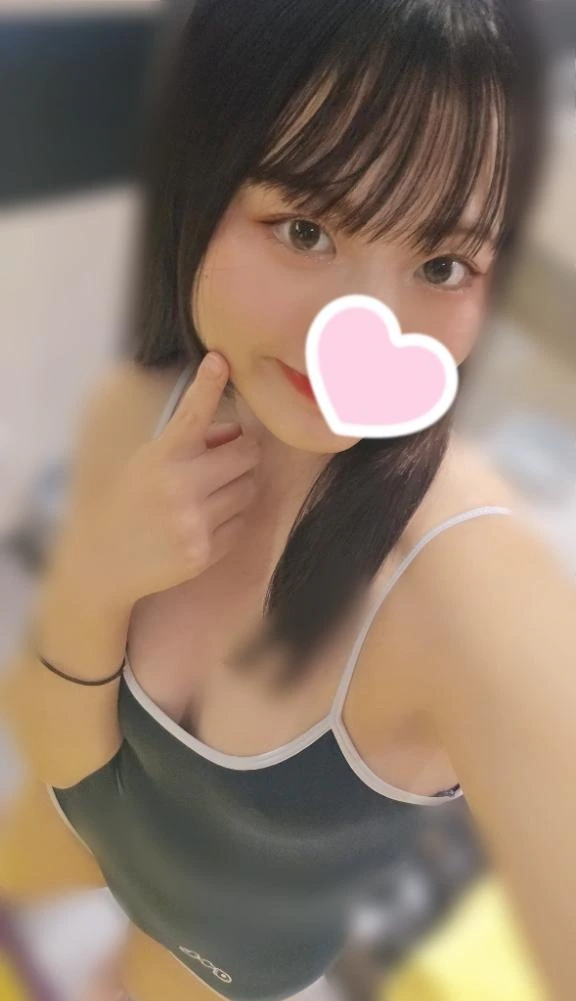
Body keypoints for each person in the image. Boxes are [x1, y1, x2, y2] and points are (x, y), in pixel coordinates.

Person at [1, 2, 575, 1001]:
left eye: (441, 264)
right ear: (201, 184)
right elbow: (58, 755)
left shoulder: (466, 582)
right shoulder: (134, 411)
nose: (364, 330)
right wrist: (94, 581)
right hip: (72, 825)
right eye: (305, 228)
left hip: (210, 956)